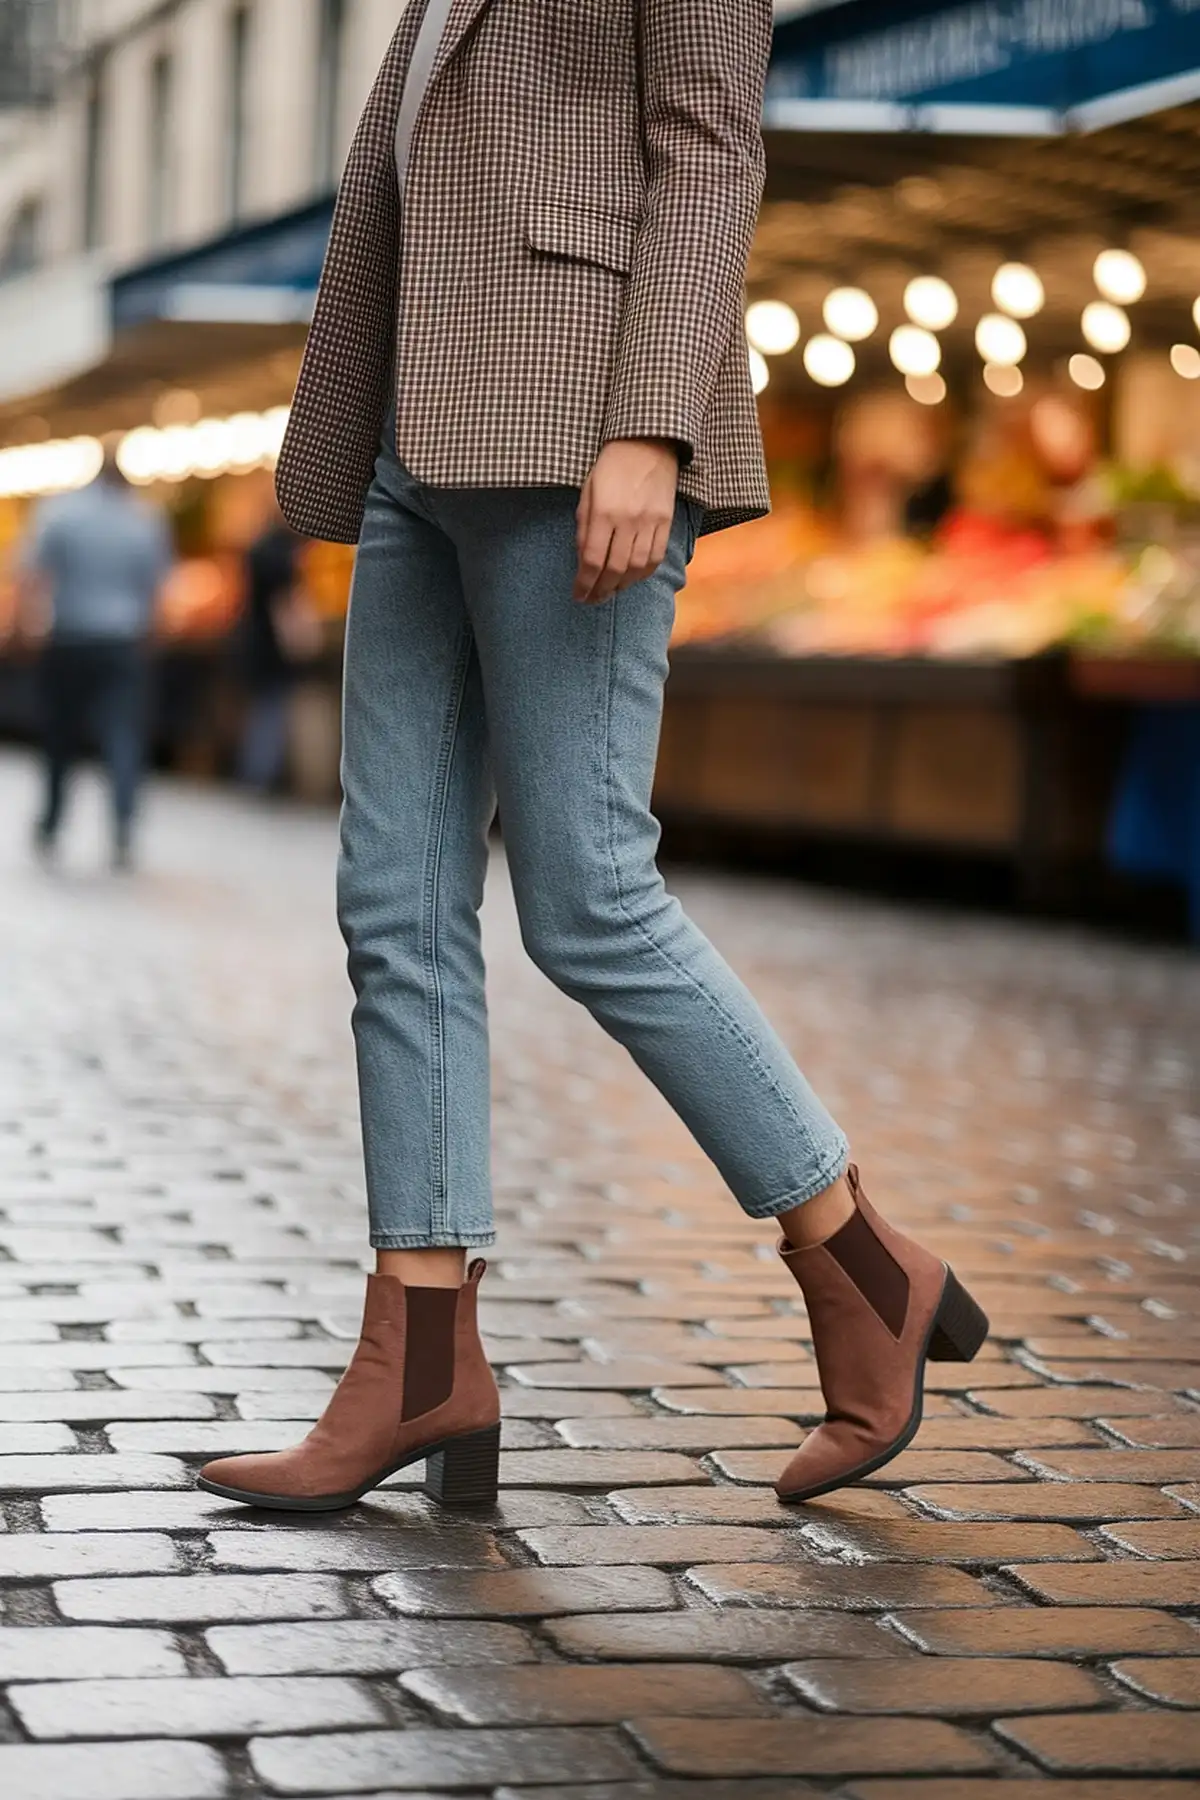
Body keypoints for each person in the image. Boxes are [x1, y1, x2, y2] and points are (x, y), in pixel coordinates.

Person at [199, 0, 988, 1516]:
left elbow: (708, 150)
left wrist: (652, 428)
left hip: (578, 431)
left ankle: (862, 1261)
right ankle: (422, 1353)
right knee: (394, 903)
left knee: (587, 899)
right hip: (414, 444)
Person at [20, 436, 173, 871]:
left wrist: (23, 629)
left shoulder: (60, 511)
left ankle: (51, 822)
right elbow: (159, 591)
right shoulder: (145, 518)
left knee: (59, 737)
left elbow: (33, 576)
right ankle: (123, 827)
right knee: (123, 736)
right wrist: (151, 639)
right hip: (124, 643)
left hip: (68, 639)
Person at [236, 495, 321, 793]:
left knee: (265, 709)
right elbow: (285, 605)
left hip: (254, 641)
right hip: (271, 646)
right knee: (271, 710)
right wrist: (303, 639)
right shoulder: (279, 554)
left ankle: (257, 772)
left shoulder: (259, 547)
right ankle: (259, 775)